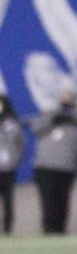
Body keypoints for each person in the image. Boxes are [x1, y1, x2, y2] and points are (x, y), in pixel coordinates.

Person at [30, 87, 77, 234]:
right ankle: (48, 229)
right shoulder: (51, 114)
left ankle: (60, 229)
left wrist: (72, 115)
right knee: (48, 200)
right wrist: (54, 118)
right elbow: (36, 127)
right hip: (45, 165)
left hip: (67, 165)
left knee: (62, 199)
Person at [0, 94, 24, 234]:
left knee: (7, 198)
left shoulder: (13, 124)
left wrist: (14, 161)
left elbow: (20, 145)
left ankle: (7, 229)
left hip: (7, 168)